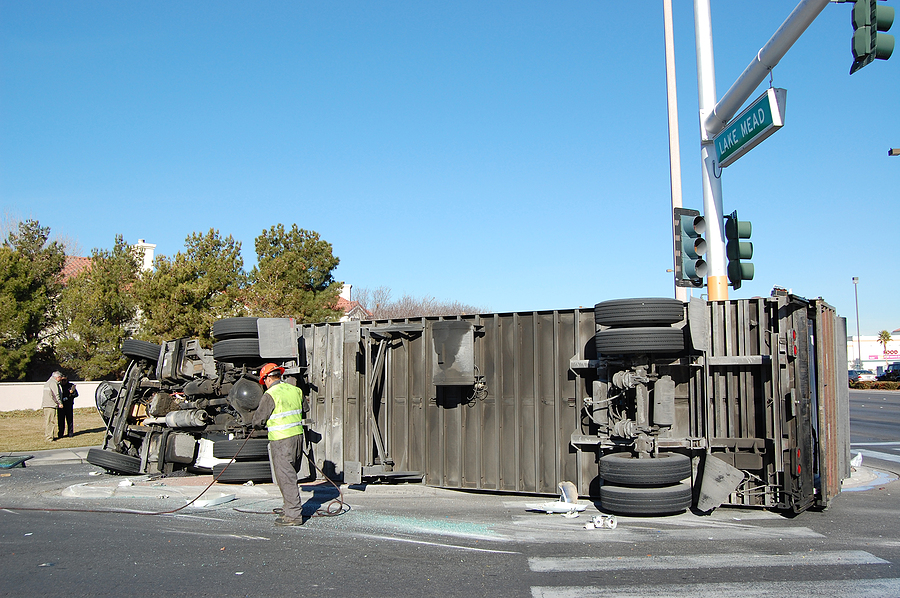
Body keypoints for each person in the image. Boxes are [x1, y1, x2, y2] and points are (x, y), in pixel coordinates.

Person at [251, 363, 305, 526]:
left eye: (264, 380)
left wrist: (255, 425)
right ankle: (289, 507)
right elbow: (304, 408)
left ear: (268, 378)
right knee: (290, 473)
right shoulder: (295, 390)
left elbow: (258, 420)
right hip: (297, 438)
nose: (264, 383)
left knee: (285, 477)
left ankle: (293, 515)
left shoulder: (270, 394)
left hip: (281, 441)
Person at [41, 371, 65, 442]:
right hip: (51, 405)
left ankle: (49, 436)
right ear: (58, 377)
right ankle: (49, 438)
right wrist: (59, 403)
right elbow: (55, 394)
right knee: (51, 421)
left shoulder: (48, 382)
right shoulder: (53, 383)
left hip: (46, 404)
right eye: (60, 378)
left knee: (48, 421)